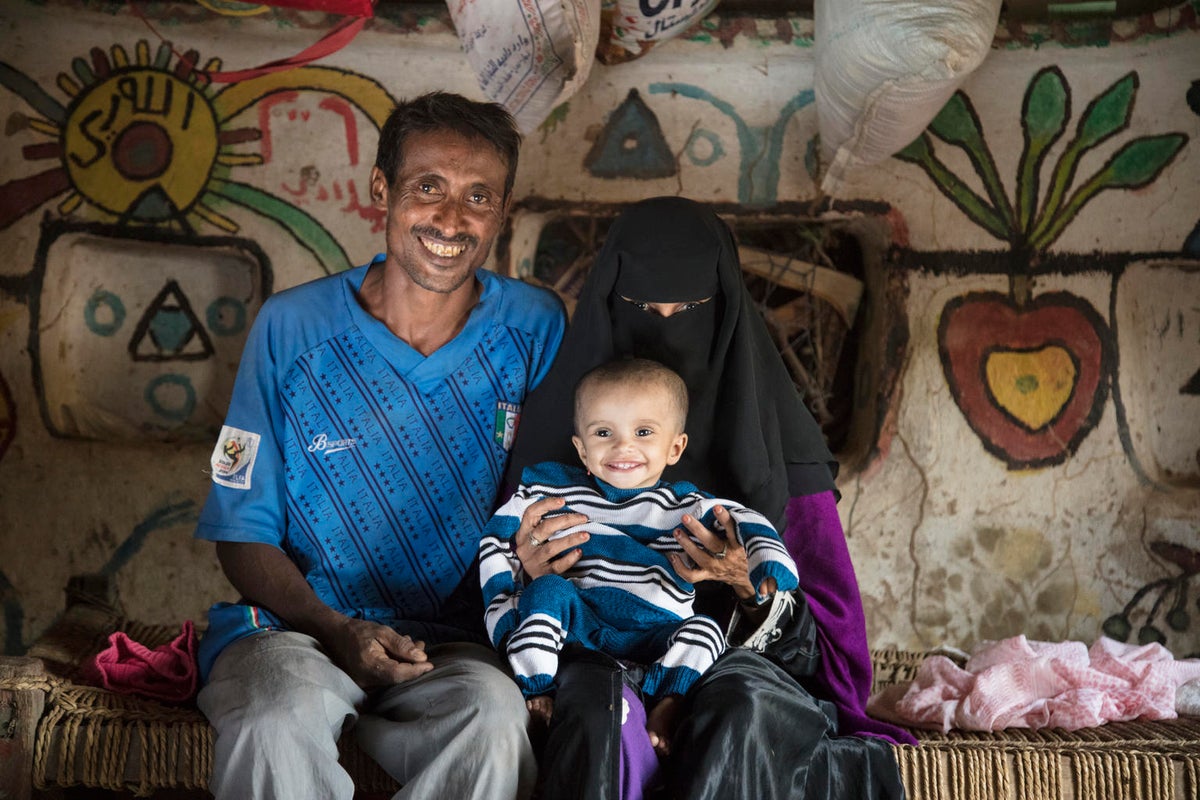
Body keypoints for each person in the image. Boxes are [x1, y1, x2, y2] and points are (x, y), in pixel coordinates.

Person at [191, 92, 566, 800]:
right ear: (381, 189)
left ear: (505, 208)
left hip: (454, 645)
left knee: (492, 720)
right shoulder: (291, 330)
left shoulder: (535, 328)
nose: (452, 220)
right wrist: (336, 629)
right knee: (274, 719)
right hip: (293, 631)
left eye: (478, 196)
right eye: (429, 187)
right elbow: (239, 533)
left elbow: (550, 501)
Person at [503, 196, 913, 800]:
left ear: (724, 312)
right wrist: (526, 573)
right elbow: (492, 590)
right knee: (594, 713)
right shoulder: (560, 447)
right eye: (641, 308)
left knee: (742, 708)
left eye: (691, 308)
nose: (665, 324)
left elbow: (829, 654)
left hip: (731, 665)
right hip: (593, 652)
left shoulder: (780, 453)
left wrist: (750, 591)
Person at [480, 358, 799, 755]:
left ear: (675, 447)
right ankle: (538, 687)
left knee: (705, 632)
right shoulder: (551, 492)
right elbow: (495, 542)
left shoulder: (683, 504)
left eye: (644, 432)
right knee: (545, 591)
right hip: (580, 622)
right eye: (603, 432)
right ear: (581, 448)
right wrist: (504, 610)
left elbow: (744, 519)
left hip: (656, 631)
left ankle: (668, 701)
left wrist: (769, 560)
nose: (623, 446)